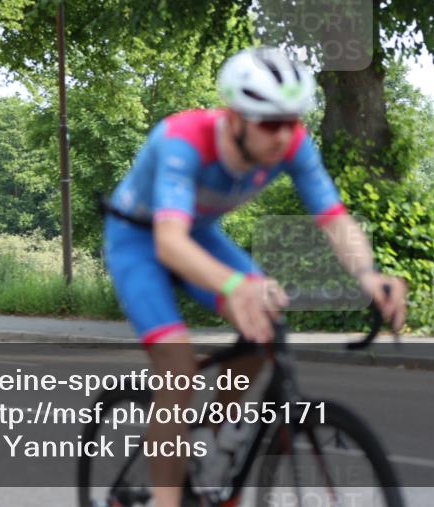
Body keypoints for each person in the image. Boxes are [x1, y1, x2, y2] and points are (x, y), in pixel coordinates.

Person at [102, 46, 407, 507]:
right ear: (235, 116)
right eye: (269, 123)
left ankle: (216, 443)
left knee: (267, 316)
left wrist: (367, 274)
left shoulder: (293, 143)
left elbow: (334, 218)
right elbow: (169, 243)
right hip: (139, 243)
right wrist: (233, 284)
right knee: (179, 370)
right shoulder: (182, 140)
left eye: (292, 121)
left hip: (200, 236)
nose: (283, 136)